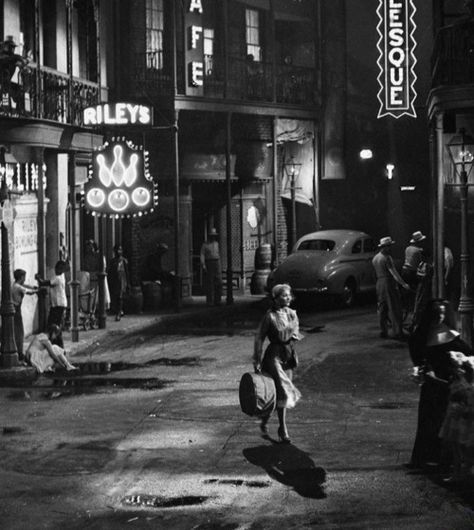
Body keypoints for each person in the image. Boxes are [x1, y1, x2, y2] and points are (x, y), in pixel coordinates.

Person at [407, 299, 472, 470]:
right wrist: (419, 368)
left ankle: (443, 459)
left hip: (448, 384)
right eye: (437, 313)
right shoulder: (422, 335)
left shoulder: (450, 335)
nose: (440, 316)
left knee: (443, 422)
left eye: (443, 313)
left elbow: (468, 355)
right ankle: (425, 458)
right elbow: (416, 353)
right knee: (428, 421)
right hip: (431, 384)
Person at [253, 283, 302, 443]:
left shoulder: (292, 314)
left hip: (287, 355)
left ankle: (267, 420)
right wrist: (257, 358)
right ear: (276, 298)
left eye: (289, 295)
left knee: (280, 395)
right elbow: (259, 337)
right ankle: (283, 428)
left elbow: (295, 332)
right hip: (273, 356)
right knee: (283, 389)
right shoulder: (270, 316)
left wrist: (294, 336)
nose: (288, 298)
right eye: (284, 295)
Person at [439, 352, 474, 482]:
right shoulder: (460, 381)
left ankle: (464, 472)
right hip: (458, 418)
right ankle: (458, 473)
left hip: (467, 421)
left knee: (467, 448)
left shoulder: (469, 386)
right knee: (456, 446)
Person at [372, 236, 410, 340]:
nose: (390, 248)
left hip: (379, 283)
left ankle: (383, 330)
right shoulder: (387, 258)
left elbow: (374, 274)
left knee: (382, 308)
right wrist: (403, 284)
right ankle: (398, 331)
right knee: (394, 307)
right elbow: (393, 272)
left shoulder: (375, 258)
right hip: (388, 282)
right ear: (385, 247)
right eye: (389, 246)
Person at [36, 260, 68, 348]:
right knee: (54, 324)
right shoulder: (61, 276)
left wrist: (38, 278)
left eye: (59, 269)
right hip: (58, 304)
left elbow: (45, 283)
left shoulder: (57, 278)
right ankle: (55, 344)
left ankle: (58, 345)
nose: (57, 271)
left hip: (58, 305)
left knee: (54, 325)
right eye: (57, 269)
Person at [12, 269, 38, 362]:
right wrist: (37, 291)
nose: (25, 279)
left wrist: (34, 287)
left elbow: (26, 286)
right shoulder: (18, 287)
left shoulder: (15, 284)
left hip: (15, 309)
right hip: (16, 310)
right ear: (21, 277)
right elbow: (27, 291)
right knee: (19, 332)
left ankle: (18, 351)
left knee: (17, 332)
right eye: (24, 277)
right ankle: (19, 352)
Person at [401, 231, 427, 320]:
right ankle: (416, 308)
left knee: (407, 292)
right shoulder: (418, 251)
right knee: (418, 290)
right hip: (412, 272)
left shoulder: (407, 248)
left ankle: (406, 308)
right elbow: (421, 262)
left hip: (404, 271)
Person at [410, 248, 434, 333]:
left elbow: (423, 275)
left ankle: (416, 323)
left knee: (421, 304)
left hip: (424, 286)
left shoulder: (426, 265)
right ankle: (415, 323)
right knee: (419, 304)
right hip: (422, 285)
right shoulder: (424, 264)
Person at [200, 228, 222, 306]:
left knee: (218, 281)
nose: (213, 237)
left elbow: (219, 253)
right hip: (209, 262)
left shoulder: (217, 244)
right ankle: (210, 301)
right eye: (212, 236)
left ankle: (218, 300)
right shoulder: (205, 245)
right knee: (210, 282)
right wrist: (203, 264)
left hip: (217, 262)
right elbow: (202, 254)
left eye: (214, 236)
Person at [107, 244, 130, 321]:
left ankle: (119, 313)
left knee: (120, 296)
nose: (118, 252)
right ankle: (117, 310)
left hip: (121, 280)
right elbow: (110, 271)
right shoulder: (112, 261)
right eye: (117, 250)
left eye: (120, 250)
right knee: (115, 296)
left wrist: (128, 283)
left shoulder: (124, 261)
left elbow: (126, 272)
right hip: (114, 280)